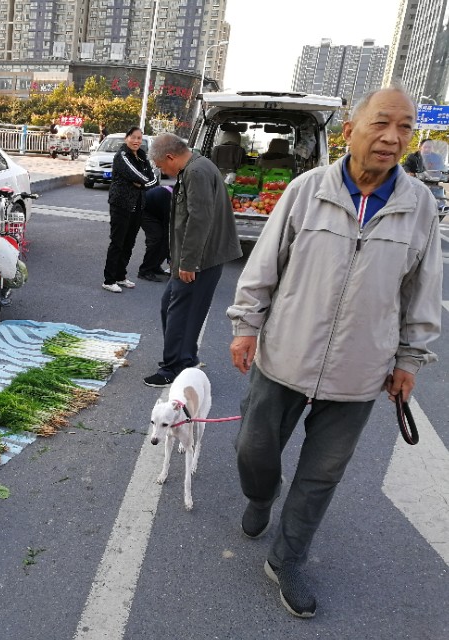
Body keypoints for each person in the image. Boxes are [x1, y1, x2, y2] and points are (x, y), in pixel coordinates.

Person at [226, 87, 442, 619]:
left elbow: (421, 290)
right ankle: (260, 496)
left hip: (360, 371)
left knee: (322, 475)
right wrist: (246, 324)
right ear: (350, 129)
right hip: (284, 357)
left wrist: (408, 361)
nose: (393, 138)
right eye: (381, 124)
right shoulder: (306, 189)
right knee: (254, 449)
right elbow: (264, 267)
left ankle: (288, 557)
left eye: (405, 127)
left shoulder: (420, 207)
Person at [143, 133, 241, 385]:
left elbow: (199, 220)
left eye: (161, 165)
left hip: (201, 258)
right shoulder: (198, 166)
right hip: (201, 256)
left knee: (181, 311)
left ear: (170, 157)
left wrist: (189, 262)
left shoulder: (196, 172)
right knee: (175, 306)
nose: (162, 170)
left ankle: (173, 367)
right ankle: (185, 358)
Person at [102, 126, 158, 293]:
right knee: (117, 242)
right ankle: (109, 279)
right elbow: (140, 176)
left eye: (139, 138)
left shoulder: (141, 156)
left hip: (138, 204)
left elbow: (153, 178)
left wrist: (141, 183)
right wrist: (142, 182)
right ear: (127, 138)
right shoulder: (122, 156)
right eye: (133, 137)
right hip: (121, 204)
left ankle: (120, 276)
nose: (136, 141)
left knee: (129, 242)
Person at [137, 183, 172, 281]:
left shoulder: (179, 195)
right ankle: (144, 271)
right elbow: (168, 229)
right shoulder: (171, 200)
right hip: (144, 211)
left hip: (157, 211)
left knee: (164, 241)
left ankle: (155, 266)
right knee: (156, 239)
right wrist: (170, 259)